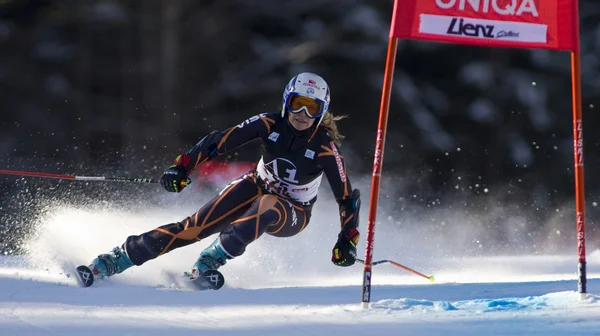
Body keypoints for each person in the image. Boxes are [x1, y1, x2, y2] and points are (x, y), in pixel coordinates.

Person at [88, 72, 361, 285]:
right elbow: (218, 142)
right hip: (256, 184)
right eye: (297, 104)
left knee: (268, 203)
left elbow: (347, 198)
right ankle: (117, 259)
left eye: (312, 108)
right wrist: (182, 167)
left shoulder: (325, 148)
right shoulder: (268, 123)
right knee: (192, 228)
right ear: (286, 101)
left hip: (294, 212)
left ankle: (209, 261)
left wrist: (347, 241)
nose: (302, 114)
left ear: (322, 111)